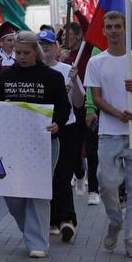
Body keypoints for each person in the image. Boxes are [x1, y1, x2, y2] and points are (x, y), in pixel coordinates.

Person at [0, 31, 69, 258]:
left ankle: (38, 242)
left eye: (26, 53)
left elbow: (64, 107)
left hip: (44, 142)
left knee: (38, 192)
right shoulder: (4, 77)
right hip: (12, 144)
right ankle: (31, 231)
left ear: (36, 52)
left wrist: (58, 124)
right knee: (13, 194)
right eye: (18, 53)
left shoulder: (52, 77)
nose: (22, 57)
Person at [87, 11, 132, 259]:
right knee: (106, 185)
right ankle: (115, 220)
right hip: (109, 134)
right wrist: (118, 114)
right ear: (104, 31)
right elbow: (96, 98)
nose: (114, 30)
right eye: (109, 26)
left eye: (118, 26)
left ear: (124, 30)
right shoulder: (96, 62)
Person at [40, 29, 83, 243]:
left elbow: (79, 103)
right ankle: (51, 220)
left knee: (63, 175)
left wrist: (74, 82)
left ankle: (67, 219)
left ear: (57, 47)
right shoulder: (34, 72)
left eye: (48, 43)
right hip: (42, 129)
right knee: (46, 175)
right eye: (40, 43)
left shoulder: (68, 70)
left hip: (67, 128)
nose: (44, 47)